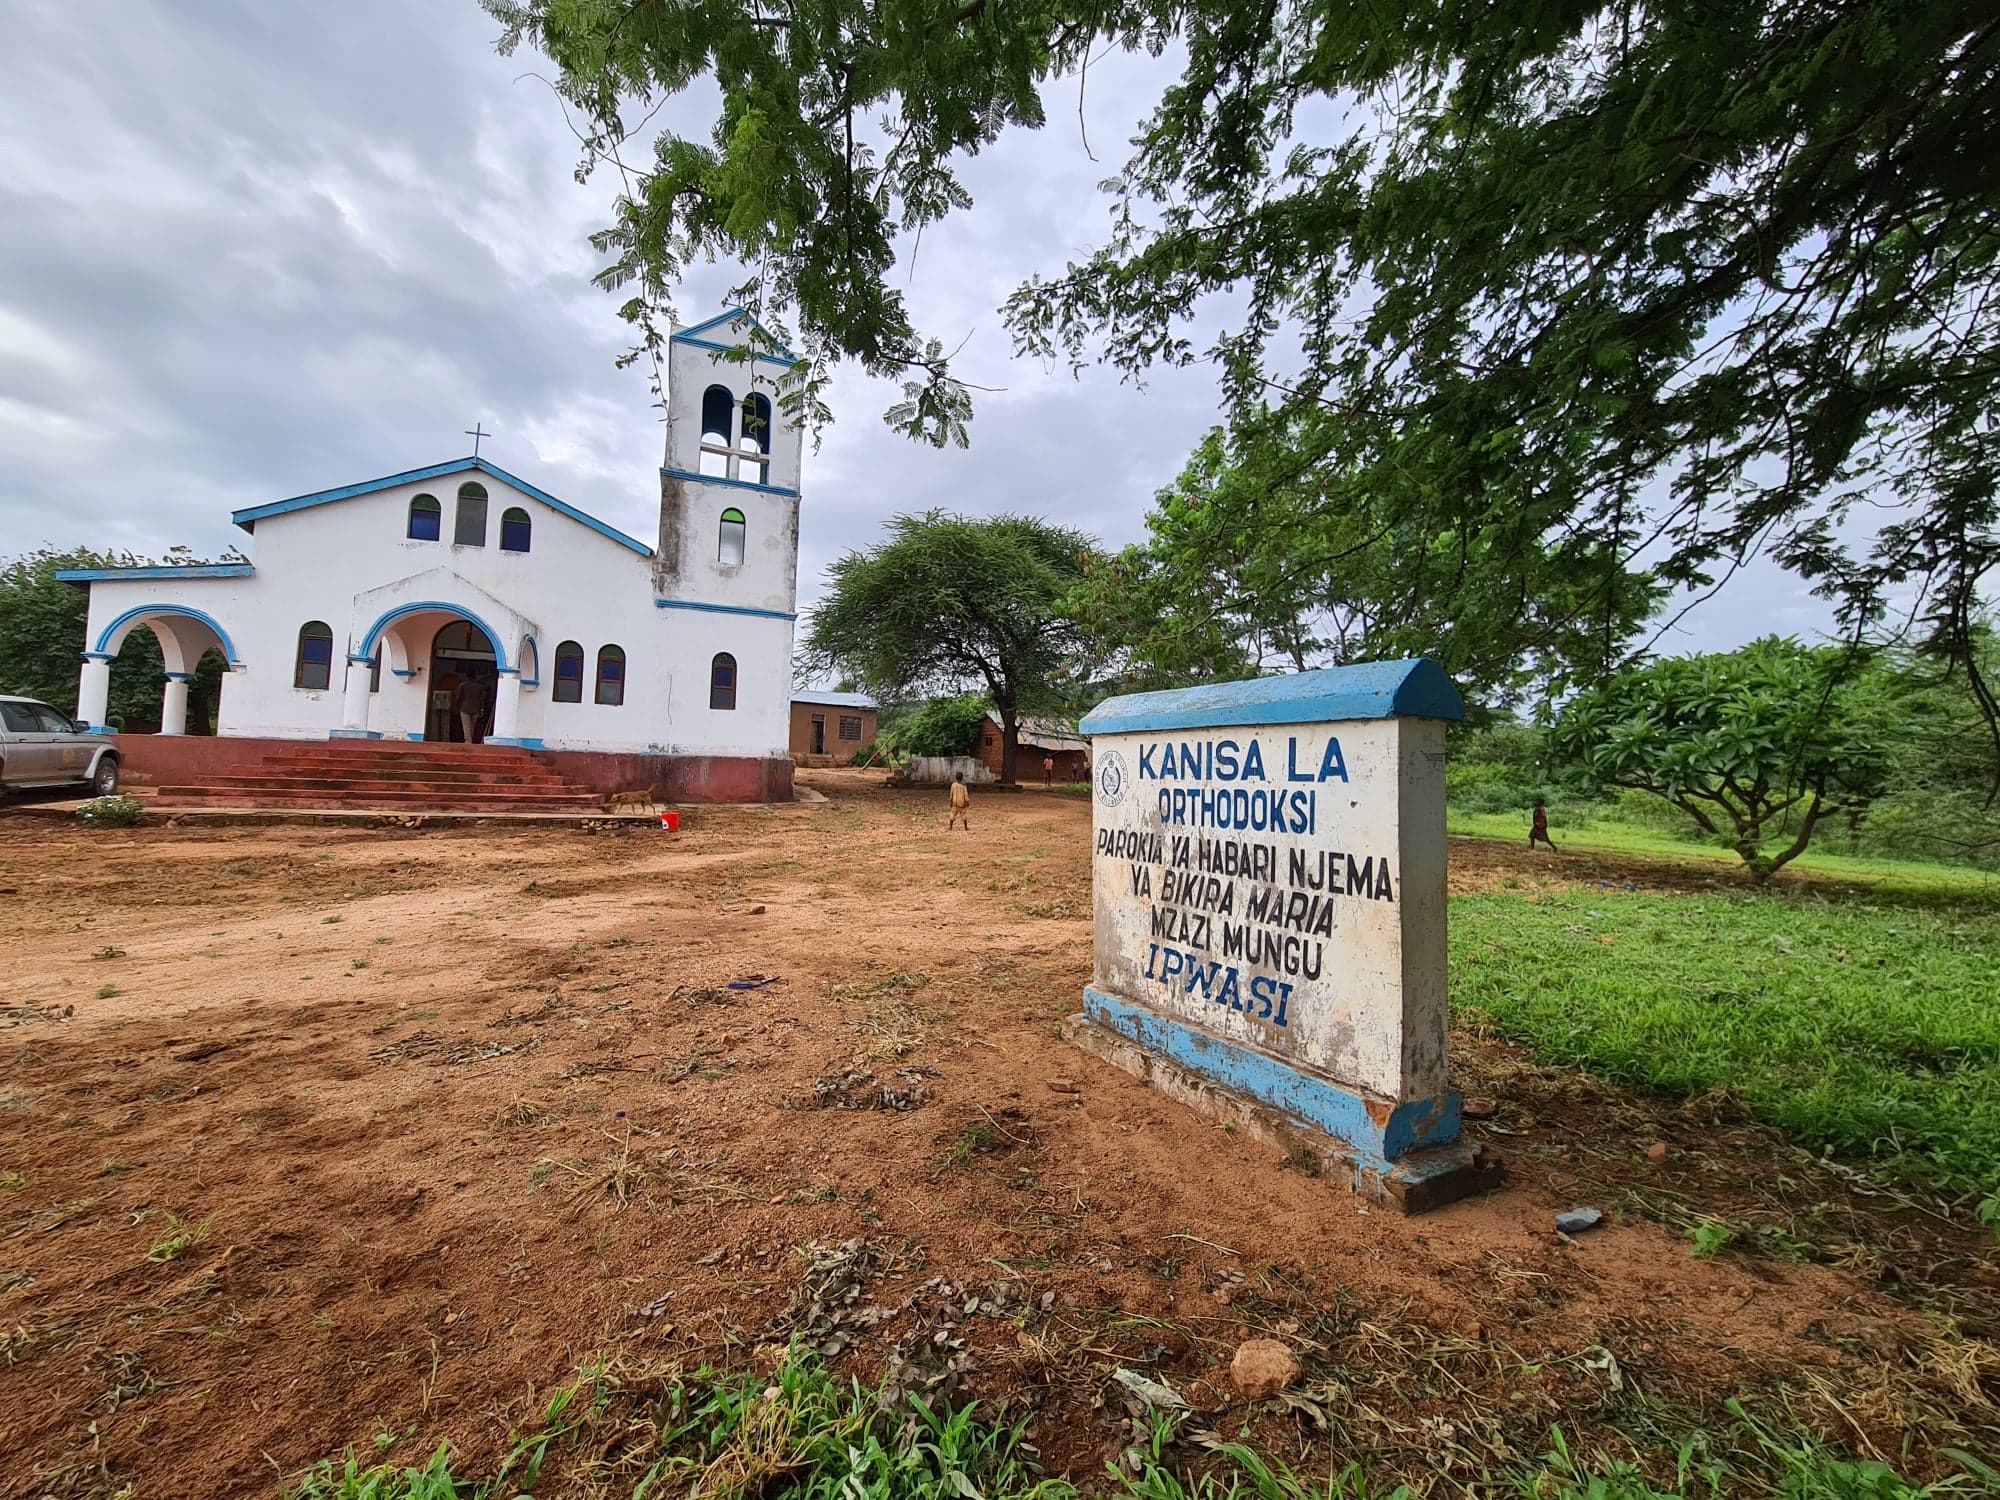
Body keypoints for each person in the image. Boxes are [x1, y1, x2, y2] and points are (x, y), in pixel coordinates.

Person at [455, 673, 491, 745]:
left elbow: (458, 697)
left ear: (467, 677)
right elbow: (482, 699)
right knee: (472, 725)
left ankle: (468, 740)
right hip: (476, 709)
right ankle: (470, 738)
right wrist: (481, 709)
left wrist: (457, 706)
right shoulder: (479, 687)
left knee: (466, 725)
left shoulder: (462, 685)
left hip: (464, 708)